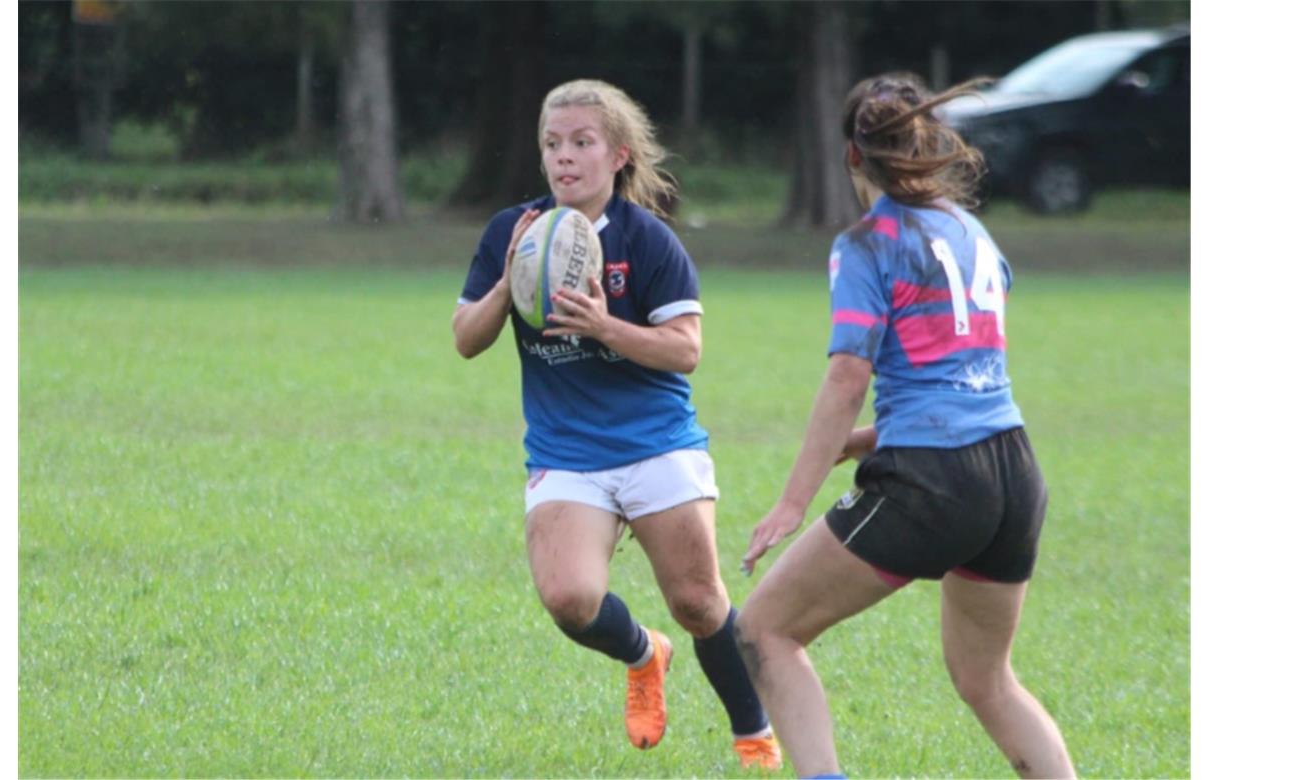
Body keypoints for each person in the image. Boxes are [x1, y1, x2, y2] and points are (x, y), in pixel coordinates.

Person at [734, 73, 1077, 780]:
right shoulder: (972, 231)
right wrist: (861, 442)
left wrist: (792, 502)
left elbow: (848, 376)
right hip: (1012, 472)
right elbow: (960, 377)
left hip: (934, 479)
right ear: (923, 143)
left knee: (764, 630)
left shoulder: (865, 244)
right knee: (988, 680)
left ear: (852, 157)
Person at [452, 79, 781, 771]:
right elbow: (465, 338)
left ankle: (754, 734)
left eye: (581, 142)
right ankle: (643, 654)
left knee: (697, 601)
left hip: (655, 441)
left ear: (619, 155)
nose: (563, 158)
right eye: (552, 144)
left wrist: (605, 327)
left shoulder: (647, 239)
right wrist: (508, 281)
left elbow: (686, 350)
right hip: (567, 451)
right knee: (570, 599)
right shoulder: (512, 232)